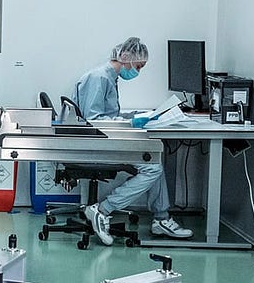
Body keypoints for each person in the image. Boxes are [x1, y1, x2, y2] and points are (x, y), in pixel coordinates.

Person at [73, 37, 192, 245]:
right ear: (125, 57)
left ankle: (161, 219)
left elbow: (108, 115)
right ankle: (102, 209)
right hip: (97, 144)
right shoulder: (99, 78)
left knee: (154, 158)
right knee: (152, 168)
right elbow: (95, 121)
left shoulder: (110, 77)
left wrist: (141, 116)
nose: (138, 71)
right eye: (138, 66)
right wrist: (133, 122)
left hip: (106, 139)